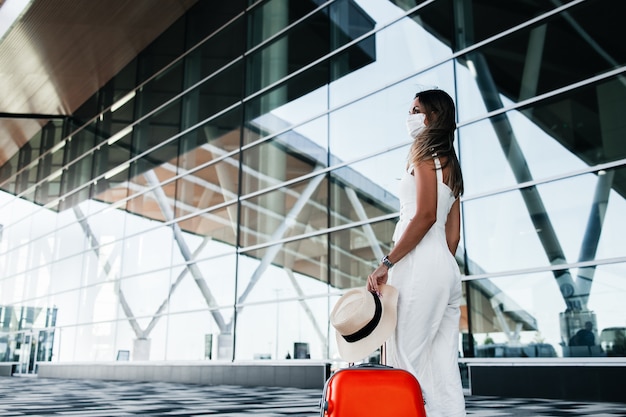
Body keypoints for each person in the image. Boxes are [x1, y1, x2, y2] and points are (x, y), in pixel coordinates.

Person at [367, 89, 466, 417]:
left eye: (415, 110)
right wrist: (439, 267)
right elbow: (452, 235)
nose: (409, 117)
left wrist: (387, 263)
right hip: (445, 270)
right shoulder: (451, 165)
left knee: (404, 361)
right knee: (442, 370)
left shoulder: (423, 156)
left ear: (432, 116)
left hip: (420, 265)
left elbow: (424, 215)